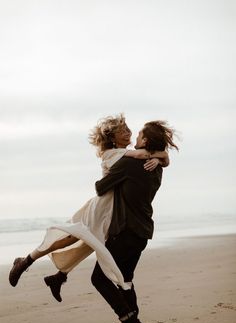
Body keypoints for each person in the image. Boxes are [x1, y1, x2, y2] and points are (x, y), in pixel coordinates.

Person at [9, 115, 169, 303]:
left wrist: (161, 158)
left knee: (86, 242)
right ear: (112, 138)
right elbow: (142, 155)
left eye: (129, 129)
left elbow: (147, 156)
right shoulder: (114, 154)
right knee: (71, 236)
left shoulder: (125, 153)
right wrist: (161, 156)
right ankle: (27, 261)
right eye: (123, 131)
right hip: (101, 206)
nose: (129, 133)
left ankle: (57, 277)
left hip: (110, 209)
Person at [91, 120, 178, 323]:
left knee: (99, 279)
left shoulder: (129, 164)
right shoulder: (156, 166)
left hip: (125, 231)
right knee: (125, 281)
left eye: (139, 134)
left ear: (146, 141)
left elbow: (100, 187)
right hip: (142, 232)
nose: (136, 137)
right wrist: (160, 157)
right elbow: (163, 160)